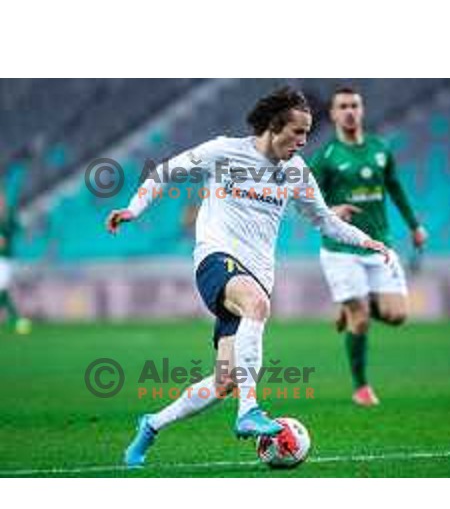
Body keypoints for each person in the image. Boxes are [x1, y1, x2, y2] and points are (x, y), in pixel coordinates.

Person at [107, 87, 391, 467]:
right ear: (275, 127)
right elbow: (165, 172)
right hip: (216, 260)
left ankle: (151, 425)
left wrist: (366, 240)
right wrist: (133, 208)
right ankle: (250, 409)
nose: (304, 141)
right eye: (298, 132)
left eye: (307, 133)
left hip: (255, 274)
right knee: (258, 304)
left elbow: (323, 219)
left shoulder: (295, 171)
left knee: (223, 381)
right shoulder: (224, 151)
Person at [309, 87, 427, 406]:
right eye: (343, 106)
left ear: (362, 110)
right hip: (340, 249)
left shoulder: (380, 149)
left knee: (397, 315)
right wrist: (333, 211)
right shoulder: (325, 157)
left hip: (379, 245)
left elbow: (396, 188)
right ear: (333, 114)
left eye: (354, 105)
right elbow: (307, 204)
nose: (349, 111)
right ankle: (361, 386)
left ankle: (350, 304)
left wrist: (415, 226)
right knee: (360, 319)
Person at [0, 184, 31, 335]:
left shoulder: (9, 216)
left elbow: (20, 230)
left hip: (4, 260)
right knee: (2, 290)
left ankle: (16, 317)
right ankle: (16, 317)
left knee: (2, 289)